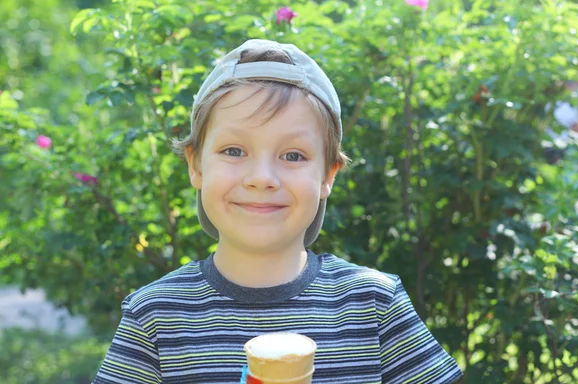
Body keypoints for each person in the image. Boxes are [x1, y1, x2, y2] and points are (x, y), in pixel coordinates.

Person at [92, 39, 463, 384]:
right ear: (197, 166)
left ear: (327, 176)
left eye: (293, 156)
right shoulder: (156, 317)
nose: (262, 178)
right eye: (234, 151)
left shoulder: (374, 305)